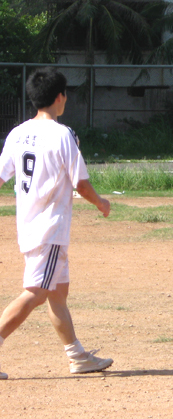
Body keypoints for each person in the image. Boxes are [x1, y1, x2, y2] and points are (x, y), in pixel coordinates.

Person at [0, 67, 113, 379]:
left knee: (57, 292)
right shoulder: (62, 134)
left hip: (30, 226)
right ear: (60, 97)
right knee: (37, 292)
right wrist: (101, 203)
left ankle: (77, 356)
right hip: (49, 228)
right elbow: (82, 184)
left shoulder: (18, 133)